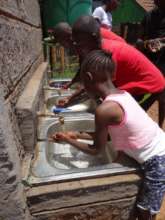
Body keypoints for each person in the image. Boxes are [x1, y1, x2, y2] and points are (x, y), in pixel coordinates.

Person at [51, 50, 165, 220]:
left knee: (145, 212)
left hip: (158, 160)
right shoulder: (123, 94)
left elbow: (96, 149)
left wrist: (68, 140)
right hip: (160, 144)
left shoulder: (104, 110)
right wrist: (76, 134)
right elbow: (111, 135)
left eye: (82, 81)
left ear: (88, 78)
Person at [69, 15, 165, 127]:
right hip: (135, 84)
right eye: (76, 43)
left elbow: (99, 86)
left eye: (80, 43)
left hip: (149, 86)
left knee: (128, 121)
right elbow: (91, 84)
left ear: (93, 37)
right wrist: (73, 98)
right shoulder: (99, 50)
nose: (78, 48)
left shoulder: (108, 55)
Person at [136, 0, 165, 75]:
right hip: (148, 62)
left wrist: (160, 42)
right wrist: (143, 44)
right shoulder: (148, 15)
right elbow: (139, 39)